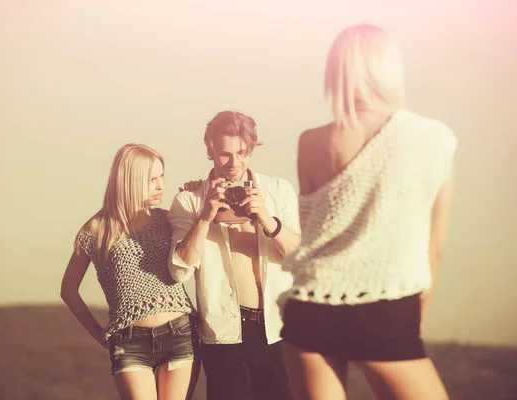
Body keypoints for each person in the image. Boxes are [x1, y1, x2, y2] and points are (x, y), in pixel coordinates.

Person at [279, 24, 456, 400]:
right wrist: (413, 313)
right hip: (387, 308)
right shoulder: (435, 138)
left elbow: (314, 232)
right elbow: (435, 246)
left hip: (310, 308)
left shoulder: (311, 142)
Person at [167, 111, 302, 400]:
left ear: (251, 150)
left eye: (242, 153)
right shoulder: (188, 200)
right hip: (224, 331)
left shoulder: (278, 190)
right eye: (224, 155)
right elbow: (179, 270)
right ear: (209, 150)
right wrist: (205, 217)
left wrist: (268, 220)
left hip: (279, 328)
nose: (234, 163)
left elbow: (302, 259)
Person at [60, 143, 199, 400]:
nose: (160, 186)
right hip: (129, 341)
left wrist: (196, 195)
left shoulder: (167, 218)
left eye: (162, 177)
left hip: (179, 332)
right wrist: (100, 334)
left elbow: (193, 247)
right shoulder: (95, 231)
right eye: (151, 179)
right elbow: (68, 290)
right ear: (130, 181)